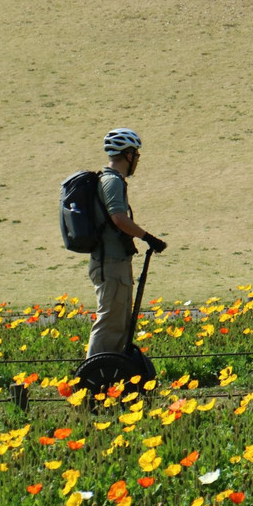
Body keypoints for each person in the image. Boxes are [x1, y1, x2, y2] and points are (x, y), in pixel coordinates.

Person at [87, 127, 166, 356]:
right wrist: (148, 238)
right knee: (109, 323)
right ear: (128, 155)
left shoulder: (110, 180)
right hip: (110, 264)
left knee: (118, 325)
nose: (138, 159)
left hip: (114, 263)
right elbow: (118, 218)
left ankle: (110, 369)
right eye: (136, 154)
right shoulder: (112, 182)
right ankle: (92, 371)